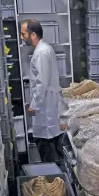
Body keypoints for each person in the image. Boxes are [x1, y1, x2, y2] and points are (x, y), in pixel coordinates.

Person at [20, 19, 63, 162]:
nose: (22, 37)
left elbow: (41, 83)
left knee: (47, 147)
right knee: (50, 144)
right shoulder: (43, 49)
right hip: (47, 105)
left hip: (45, 107)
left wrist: (34, 105)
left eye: (23, 34)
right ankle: (55, 176)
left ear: (33, 35)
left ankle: (53, 180)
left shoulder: (42, 53)